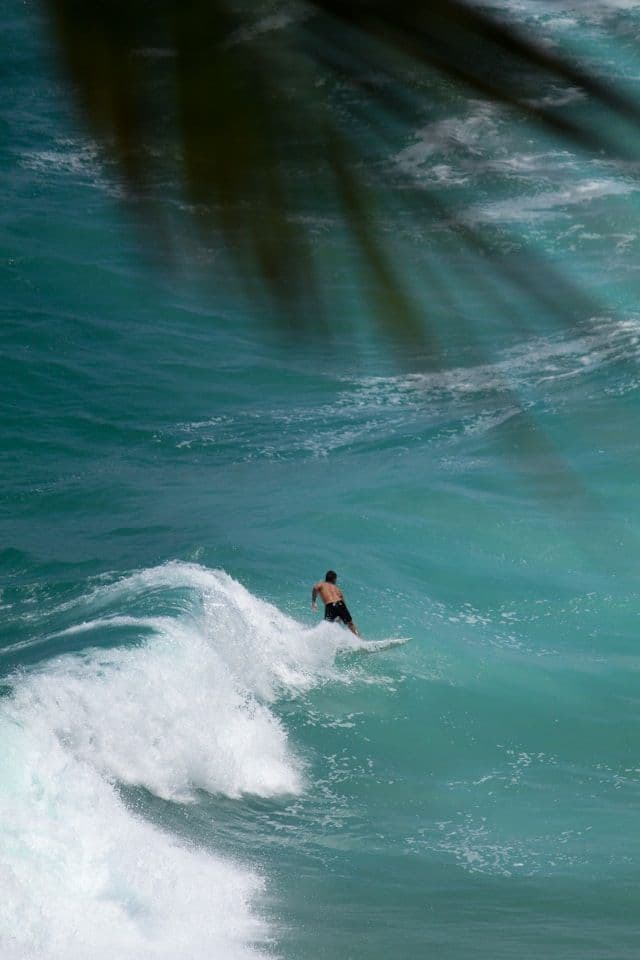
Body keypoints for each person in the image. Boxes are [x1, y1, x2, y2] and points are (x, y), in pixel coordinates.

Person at [311, 570, 360, 636]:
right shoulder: (337, 588)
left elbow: (315, 588)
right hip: (340, 604)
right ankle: (359, 640)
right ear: (334, 579)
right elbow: (342, 600)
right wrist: (342, 613)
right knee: (350, 624)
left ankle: (328, 641)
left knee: (327, 625)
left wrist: (314, 601)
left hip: (330, 605)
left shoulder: (321, 584)